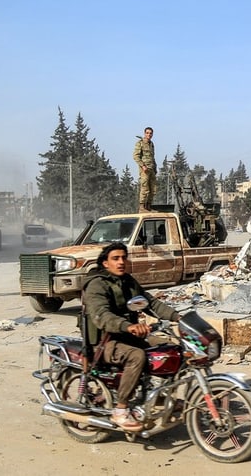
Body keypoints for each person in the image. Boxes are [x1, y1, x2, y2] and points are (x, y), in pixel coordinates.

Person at [81, 242, 180, 431]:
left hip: (126, 335)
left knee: (170, 348)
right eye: (115, 258)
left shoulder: (128, 282)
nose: (121, 262)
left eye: (124, 257)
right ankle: (121, 409)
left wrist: (178, 317)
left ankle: (161, 396)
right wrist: (129, 326)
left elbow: (150, 303)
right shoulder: (96, 285)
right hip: (104, 341)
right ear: (105, 263)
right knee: (137, 356)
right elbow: (102, 316)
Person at [133, 127, 157, 213]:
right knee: (144, 188)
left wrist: (155, 168)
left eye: (150, 133)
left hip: (151, 168)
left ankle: (148, 206)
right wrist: (143, 166)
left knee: (153, 189)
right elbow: (136, 156)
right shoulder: (140, 143)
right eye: (147, 133)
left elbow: (152, 157)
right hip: (145, 169)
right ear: (144, 133)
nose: (149, 135)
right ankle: (142, 207)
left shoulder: (151, 144)